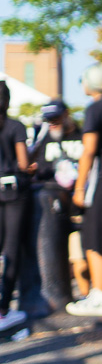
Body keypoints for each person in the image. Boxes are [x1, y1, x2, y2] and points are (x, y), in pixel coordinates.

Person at [67, 64, 102, 317]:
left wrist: (79, 187)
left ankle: (100, 294)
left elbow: (88, 150)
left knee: (95, 238)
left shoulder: (95, 108)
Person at [29, 99, 83, 313]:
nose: (53, 123)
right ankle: (60, 299)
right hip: (52, 202)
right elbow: (34, 166)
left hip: (78, 201)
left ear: (66, 115)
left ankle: (87, 294)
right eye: (48, 120)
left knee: (82, 258)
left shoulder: (79, 135)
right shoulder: (44, 138)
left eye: (56, 119)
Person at [0, 81, 32, 331]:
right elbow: (23, 163)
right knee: (11, 249)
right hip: (13, 192)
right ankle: (3, 310)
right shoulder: (15, 126)